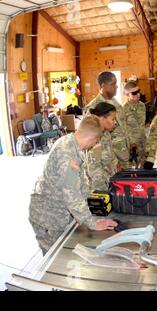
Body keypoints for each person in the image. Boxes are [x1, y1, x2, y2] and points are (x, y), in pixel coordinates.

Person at [29, 115, 117, 255]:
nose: (94, 145)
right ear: (92, 138)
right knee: (54, 258)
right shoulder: (67, 154)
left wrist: (94, 206)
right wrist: (93, 223)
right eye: (96, 141)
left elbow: (80, 184)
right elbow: (72, 194)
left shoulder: (73, 144)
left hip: (60, 211)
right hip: (47, 216)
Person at [84, 71, 130, 170]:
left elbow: (123, 126)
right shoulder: (93, 107)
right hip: (109, 160)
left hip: (124, 154)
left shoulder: (115, 102)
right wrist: (113, 161)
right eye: (113, 84)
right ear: (103, 85)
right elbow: (93, 139)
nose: (116, 87)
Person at [86, 102, 117, 192]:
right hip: (100, 189)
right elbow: (94, 169)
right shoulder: (94, 139)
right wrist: (103, 192)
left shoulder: (106, 134)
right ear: (102, 119)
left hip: (109, 183)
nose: (115, 123)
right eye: (113, 119)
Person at [123, 81, 146, 168]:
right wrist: (131, 143)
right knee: (133, 168)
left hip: (142, 140)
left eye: (138, 91)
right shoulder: (123, 109)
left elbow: (142, 124)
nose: (138, 94)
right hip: (132, 143)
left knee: (144, 166)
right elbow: (123, 128)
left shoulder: (142, 106)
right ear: (127, 95)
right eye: (134, 93)